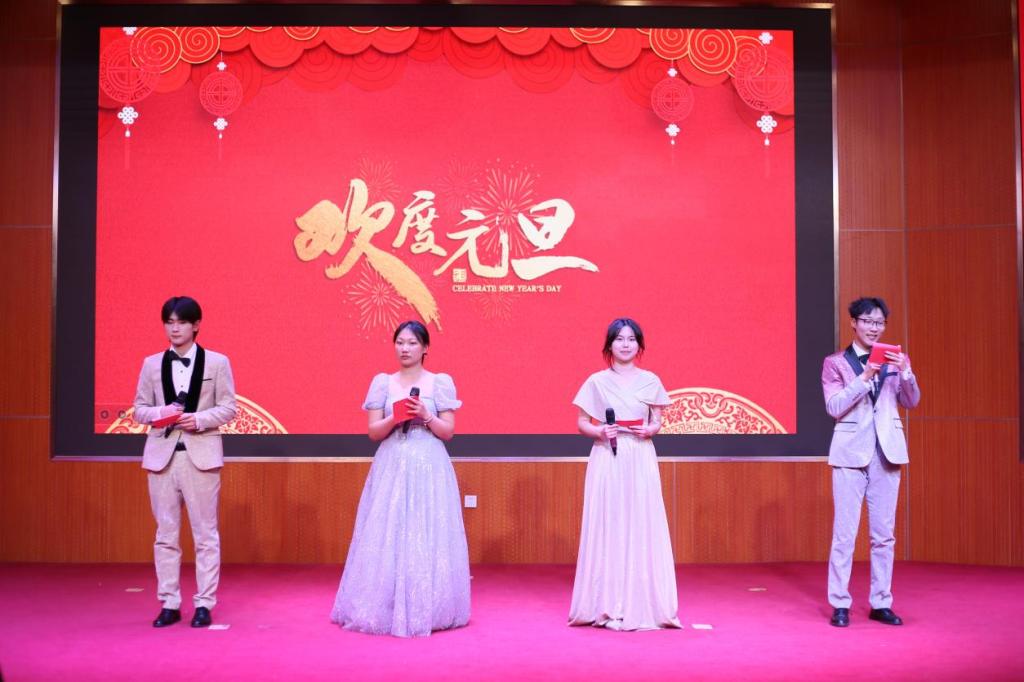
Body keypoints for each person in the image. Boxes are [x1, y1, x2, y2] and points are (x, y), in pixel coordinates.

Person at [331, 320, 470, 637]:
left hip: (429, 465)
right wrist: (396, 417)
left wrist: (426, 415)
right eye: (400, 342)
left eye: (412, 343)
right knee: (388, 531)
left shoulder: (439, 383)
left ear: (425, 348)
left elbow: (448, 432)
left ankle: (427, 607)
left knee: (426, 531)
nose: (405, 349)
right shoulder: (382, 382)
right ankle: (386, 605)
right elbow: (373, 432)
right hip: (392, 463)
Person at [569, 318, 681, 631]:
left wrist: (651, 429)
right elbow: (582, 423)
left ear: (639, 345)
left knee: (640, 519)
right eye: (619, 339)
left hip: (640, 455)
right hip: (607, 455)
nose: (626, 344)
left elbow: (657, 420)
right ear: (610, 345)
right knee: (610, 520)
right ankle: (606, 601)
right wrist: (600, 432)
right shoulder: (596, 381)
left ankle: (642, 601)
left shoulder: (650, 380)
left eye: (631, 339)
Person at [132, 296, 237, 628]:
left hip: (201, 456)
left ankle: (204, 603)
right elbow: (138, 410)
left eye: (181, 322)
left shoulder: (217, 362)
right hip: (161, 458)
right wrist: (162, 413)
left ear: (196, 325)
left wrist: (200, 419)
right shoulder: (151, 364)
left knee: (205, 534)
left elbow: (229, 407)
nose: (174, 328)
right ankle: (169, 603)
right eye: (169, 322)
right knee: (165, 534)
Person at [822, 297, 921, 627]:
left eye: (879, 322)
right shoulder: (836, 363)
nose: (874, 328)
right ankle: (840, 602)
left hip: (887, 453)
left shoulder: (896, 360)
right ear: (854, 323)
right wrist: (864, 377)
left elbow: (911, 401)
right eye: (867, 321)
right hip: (850, 453)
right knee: (844, 534)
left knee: (884, 535)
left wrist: (906, 372)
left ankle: (881, 602)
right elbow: (834, 406)